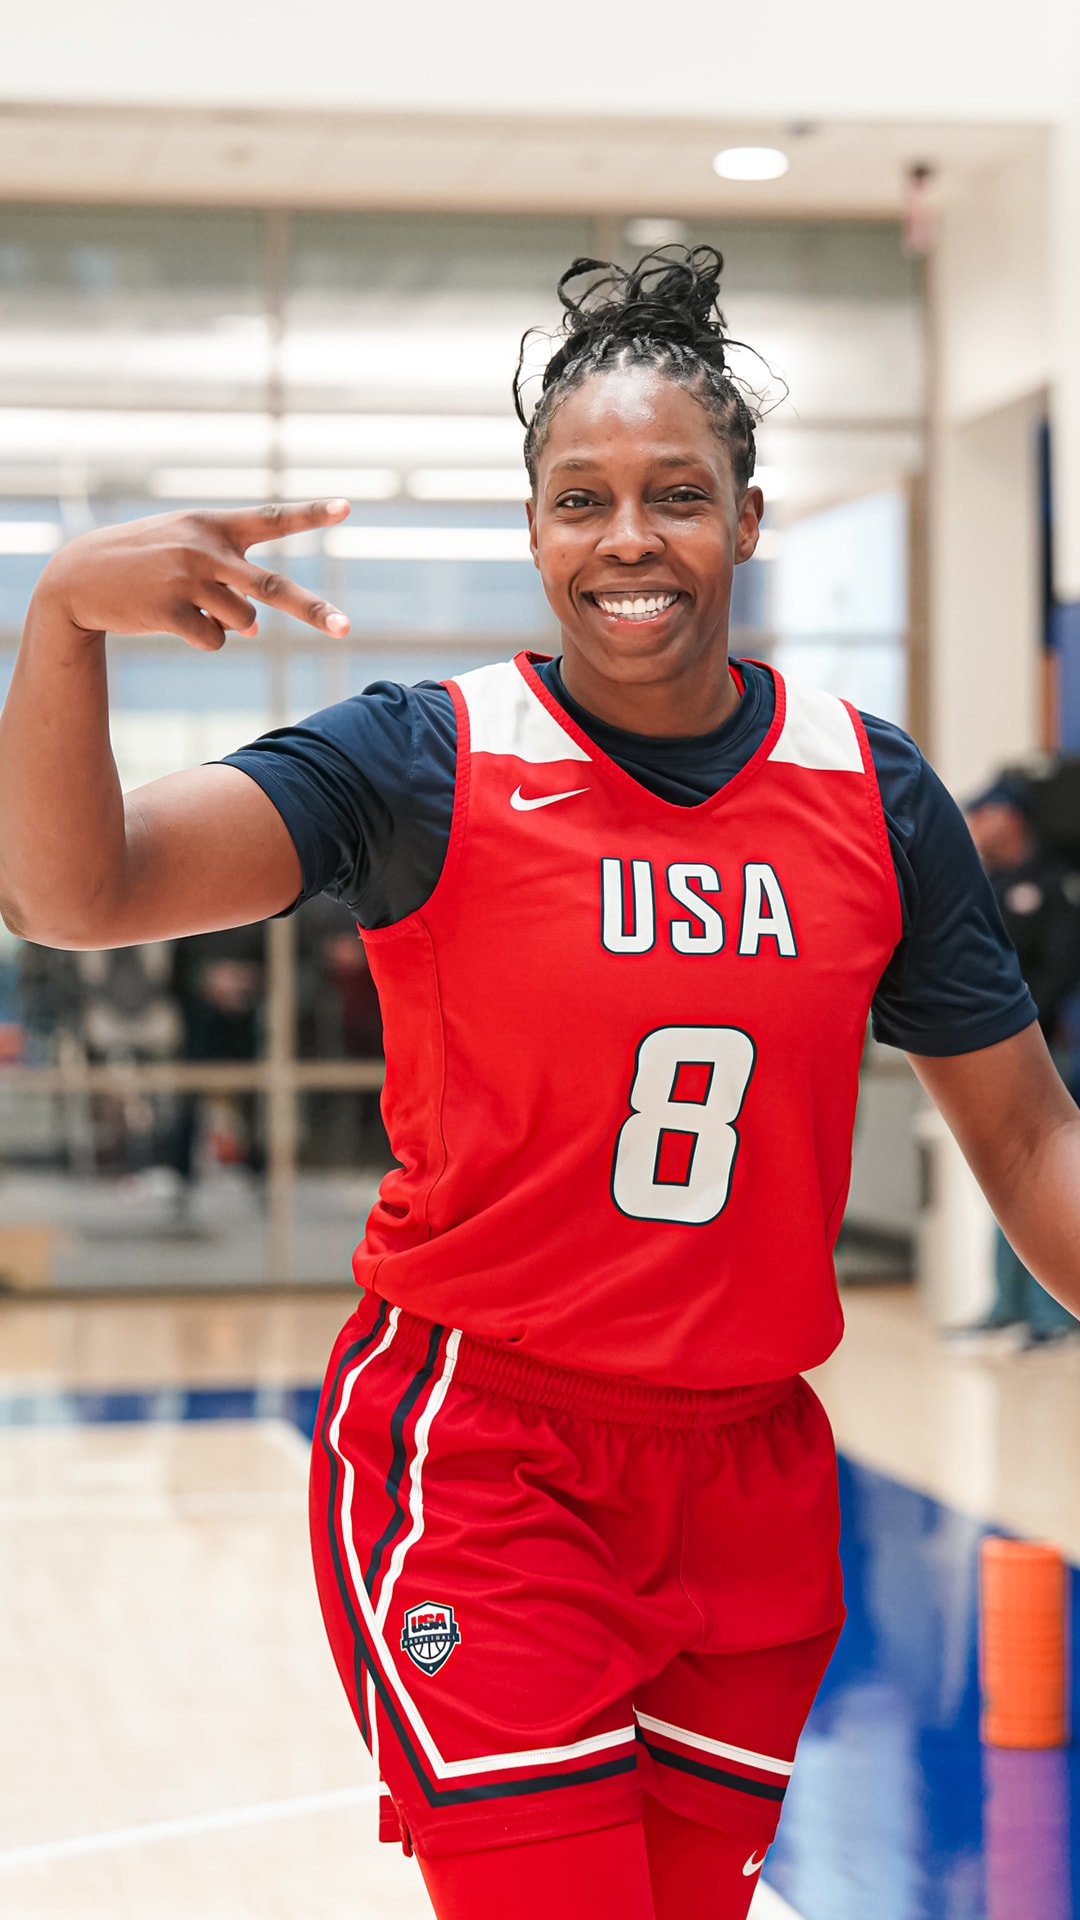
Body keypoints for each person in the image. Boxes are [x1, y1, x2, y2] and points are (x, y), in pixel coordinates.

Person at [2, 246, 1079, 1920]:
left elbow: (1026, 1139)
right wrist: (62, 621)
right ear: (533, 529)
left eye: (678, 494)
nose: (629, 538)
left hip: (750, 1479)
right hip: (487, 1459)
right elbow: (79, 894)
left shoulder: (873, 795)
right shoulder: (421, 760)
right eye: (581, 498)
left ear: (750, 516)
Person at [962, 775, 1080, 1344]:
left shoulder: (1054, 885)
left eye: (983, 812)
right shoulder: (983, 884)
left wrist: (1019, 1019)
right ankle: (1006, 1305)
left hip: (1042, 1048)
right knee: (1001, 1174)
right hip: (992, 1052)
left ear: (1010, 816)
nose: (975, 823)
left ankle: (1052, 1316)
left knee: (1042, 1167)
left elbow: (1060, 968)